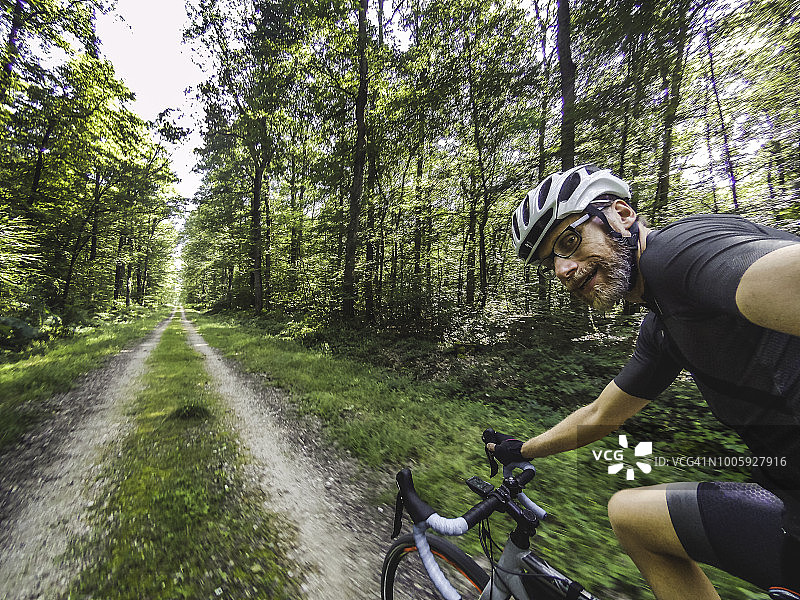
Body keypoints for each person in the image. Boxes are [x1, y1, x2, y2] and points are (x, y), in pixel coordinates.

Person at [487, 164, 800, 600]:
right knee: (631, 516)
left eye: (569, 241)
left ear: (621, 214)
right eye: (550, 260)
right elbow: (599, 415)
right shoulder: (663, 325)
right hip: (789, 503)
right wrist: (519, 450)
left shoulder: (677, 256)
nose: (562, 268)